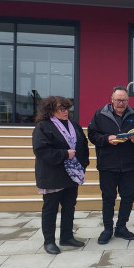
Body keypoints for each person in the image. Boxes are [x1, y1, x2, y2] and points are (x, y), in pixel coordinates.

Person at [88, 86, 134, 244]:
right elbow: (92, 135)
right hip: (107, 164)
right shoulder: (100, 114)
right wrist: (107, 139)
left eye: (124, 100)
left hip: (128, 164)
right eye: (118, 100)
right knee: (108, 198)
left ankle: (121, 227)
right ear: (111, 99)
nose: (121, 103)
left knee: (128, 197)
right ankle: (107, 229)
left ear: (128, 100)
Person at [32, 96, 89, 255]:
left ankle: (67, 236)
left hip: (72, 175)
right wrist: (64, 154)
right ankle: (49, 241)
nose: (66, 112)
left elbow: (83, 145)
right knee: (50, 209)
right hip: (52, 175)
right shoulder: (43, 127)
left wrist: (83, 165)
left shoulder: (74, 125)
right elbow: (41, 150)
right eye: (61, 109)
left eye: (67, 108)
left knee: (69, 207)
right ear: (51, 110)